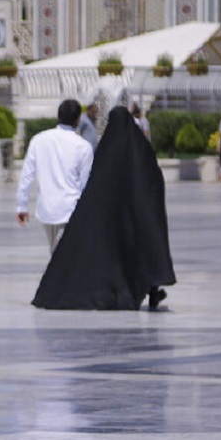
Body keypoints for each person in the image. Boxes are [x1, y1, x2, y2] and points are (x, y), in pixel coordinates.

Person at [32, 106, 176, 310]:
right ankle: (152, 289)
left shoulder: (106, 153)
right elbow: (154, 181)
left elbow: (96, 184)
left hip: (113, 217)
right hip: (140, 215)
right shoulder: (141, 151)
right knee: (145, 248)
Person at [16, 99, 94, 254]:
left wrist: (22, 206)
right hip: (70, 210)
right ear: (78, 119)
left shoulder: (39, 140)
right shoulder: (83, 146)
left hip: (46, 210)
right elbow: (85, 184)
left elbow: (27, 175)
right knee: (64, 258)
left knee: (56, 254)